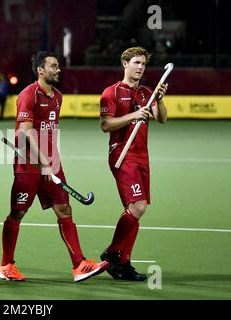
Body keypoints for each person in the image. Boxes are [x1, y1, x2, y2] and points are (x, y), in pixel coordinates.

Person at [0, 51, 109, 282]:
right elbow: (25, 131)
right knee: (18, 212)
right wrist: (43, 162)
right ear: (40, 70)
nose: (58, 70)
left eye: (58, 66)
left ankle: (79, 265)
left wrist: (50, 162)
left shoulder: (58, 96)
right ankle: (6, 265)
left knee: (64, 210)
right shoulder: (28, 95)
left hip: (52, 163)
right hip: (29, 166)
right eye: (54, 66)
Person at [99, 46, 168, 281]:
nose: (140, 67)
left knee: (135, 212)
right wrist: (133, 116)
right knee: (137, 207)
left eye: (143, 64)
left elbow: (162, 118)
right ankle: (111, 253)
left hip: (142, 156)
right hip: (122, 154)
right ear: (125, 64)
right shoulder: (112, 92)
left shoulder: (148, 92)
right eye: (136, 63)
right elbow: (106, 125)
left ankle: (124, 264)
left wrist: (159, 99)